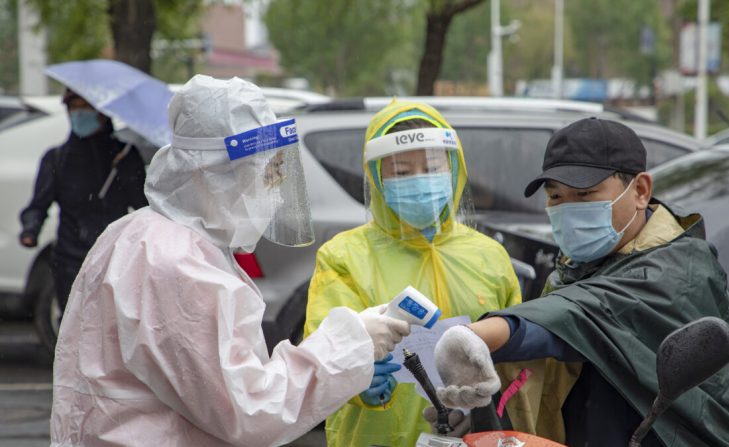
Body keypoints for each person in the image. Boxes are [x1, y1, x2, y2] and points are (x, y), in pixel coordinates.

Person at [49, 75, 411, 447]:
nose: (274, 191)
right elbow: (252, 411)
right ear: (214, 171)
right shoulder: (177, 264)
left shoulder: (136, 233)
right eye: (268, 174)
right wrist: (351, 341)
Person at [433, 117, 729, 446]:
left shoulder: (680, 271)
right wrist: (480, 409)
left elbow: (573, 319)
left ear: (640, 191)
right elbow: (551, 367)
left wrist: (478, 335)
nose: (567, 209)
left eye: (584, 194)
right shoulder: (573, 270)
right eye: (555, 197)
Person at [304, 100, 526, 446]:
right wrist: (354, 380)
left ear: (453, 169)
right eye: (403, 172)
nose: (421, 181)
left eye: (433, 167)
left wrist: (492, 397)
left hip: (476, 435)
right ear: (377, 178)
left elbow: (519, 353)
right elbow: (321, 350)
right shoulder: (344, 257)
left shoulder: (488, 256)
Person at [19, 88, 148, 310]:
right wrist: (31, 230)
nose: (79, 114)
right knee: (74, 323)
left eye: (86, 107)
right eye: (74, 108)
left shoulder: (124, 155)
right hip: (70, 258)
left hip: (113, 257)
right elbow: (38, 205)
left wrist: (126, 171)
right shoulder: (56, 159)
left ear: (102, 113)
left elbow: (142, 205)